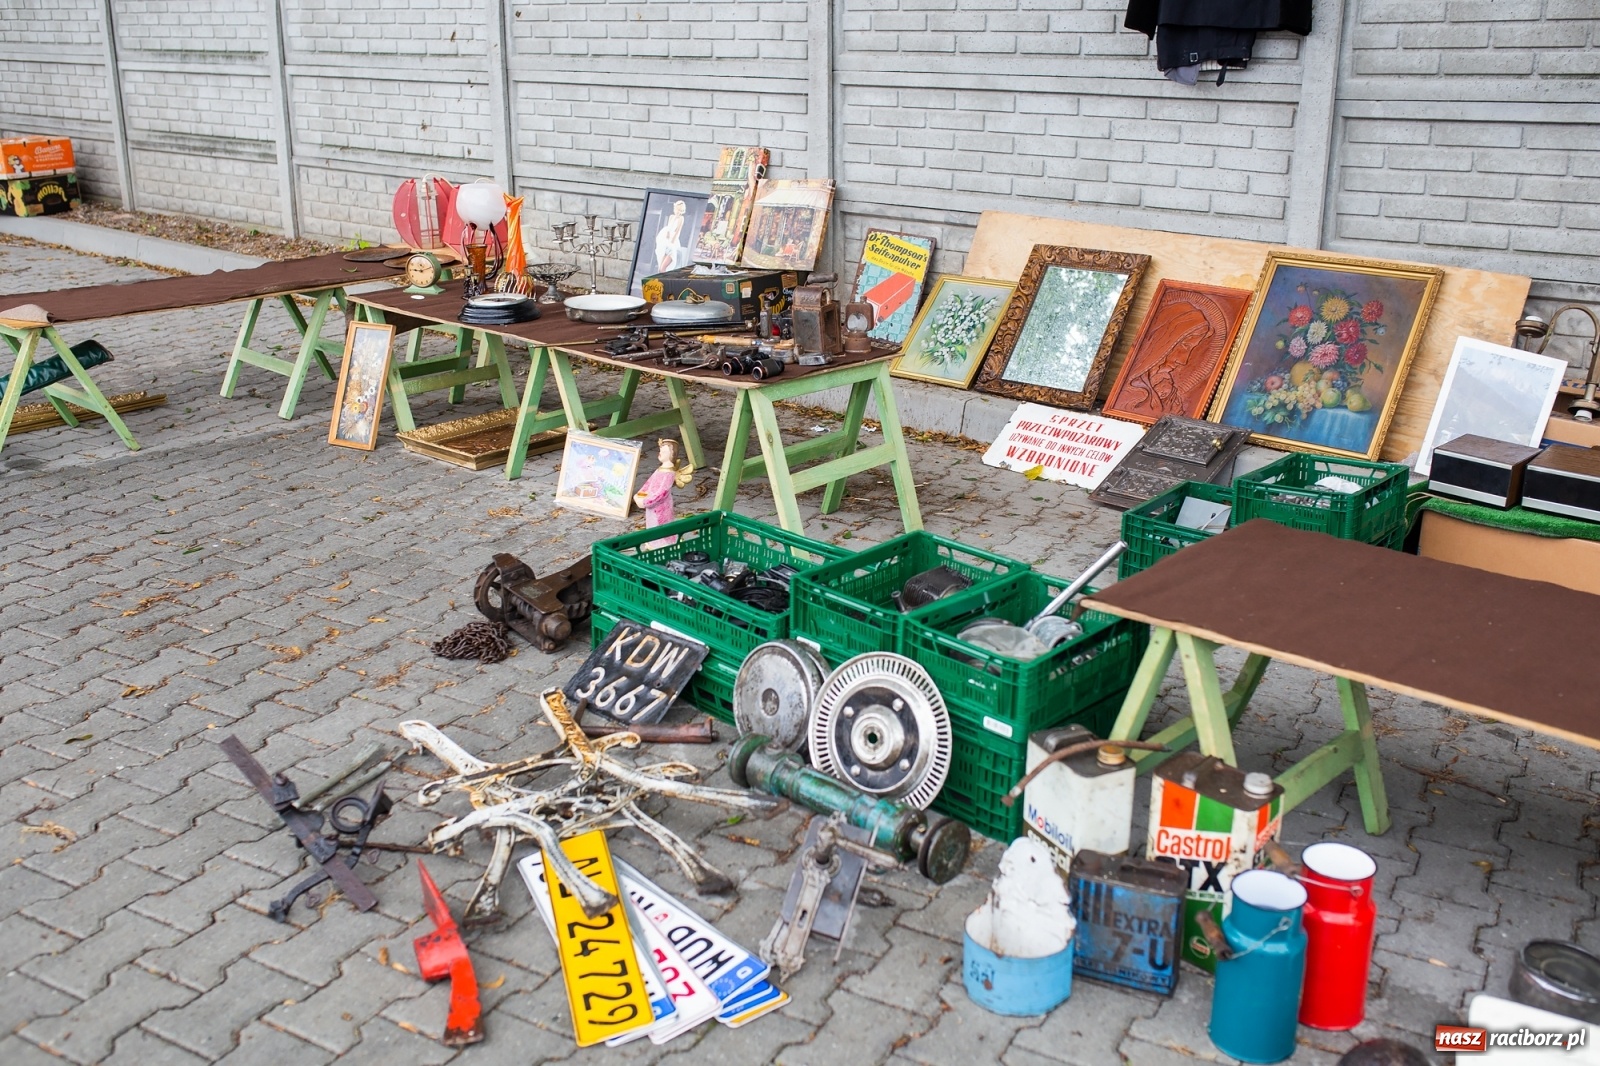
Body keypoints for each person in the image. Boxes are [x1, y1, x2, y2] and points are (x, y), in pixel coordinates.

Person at [634, 438, 694, 543]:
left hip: (660, 507)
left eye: (664, 451)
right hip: (652, 505)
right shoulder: (661, 469)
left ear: (672, 454)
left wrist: (645, 502)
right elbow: (648, 484)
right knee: (651, 524)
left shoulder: (669, 474)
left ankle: (664, 544)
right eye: (660, 451)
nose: (660, 453)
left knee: (661, 526)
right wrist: (640, 495)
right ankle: (653, 543)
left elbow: (662, 493)